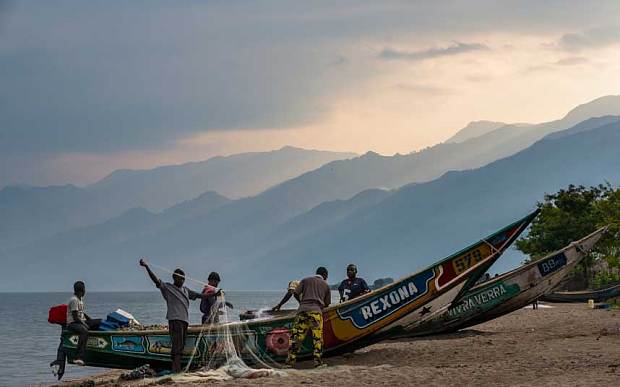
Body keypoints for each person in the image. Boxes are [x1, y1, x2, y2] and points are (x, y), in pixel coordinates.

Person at [139, 259, 210, 373]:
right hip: (175, 320)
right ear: (174, 278)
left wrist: (215, 293)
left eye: (183, 278)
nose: (182, 280)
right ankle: (176, 370)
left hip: (184, 321)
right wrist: (146, 267)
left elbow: (199, 295)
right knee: (176, 348)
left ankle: (177, 369)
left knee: (181, 347)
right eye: (179, 278)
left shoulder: (186, 290)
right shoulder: (167, 288)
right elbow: (156, 280)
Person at [286, 267, 331, 368]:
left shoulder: (305, 280)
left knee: (296, 337)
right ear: (324, 275)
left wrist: (301, 302)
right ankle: (318, 363)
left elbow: (295, 293)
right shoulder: (326, 285)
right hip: (316, 313)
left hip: (302, 311)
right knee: (317, 338)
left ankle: (290, 362)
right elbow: (327, 303)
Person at [66, 281, 101, 366]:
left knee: (99, 322)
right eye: (84, 289)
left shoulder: (80, 299)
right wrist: (85, 325)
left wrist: (90, 320)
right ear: (80, 291)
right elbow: (75, 317)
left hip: (80, 321)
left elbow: (82, 313)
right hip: (73, 323)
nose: (85, 291)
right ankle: (78, 357)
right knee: (84, 331)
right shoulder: (74, 300)